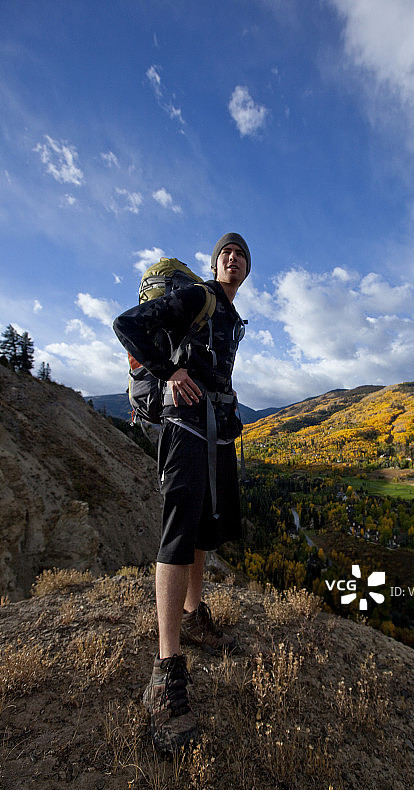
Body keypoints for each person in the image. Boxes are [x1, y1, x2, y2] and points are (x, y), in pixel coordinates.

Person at [113, 232, 251, 753]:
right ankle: (165, 669)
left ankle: (193, 617)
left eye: (240, 254)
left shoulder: (229, 317)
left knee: (200, 530)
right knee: (177, 536)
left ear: (247, 270)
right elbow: (127, 325)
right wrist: (169, 371)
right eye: (225, 253)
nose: (233, 258)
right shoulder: (199, 297)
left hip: (213, 430)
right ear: (214, 265)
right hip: (185, 428)